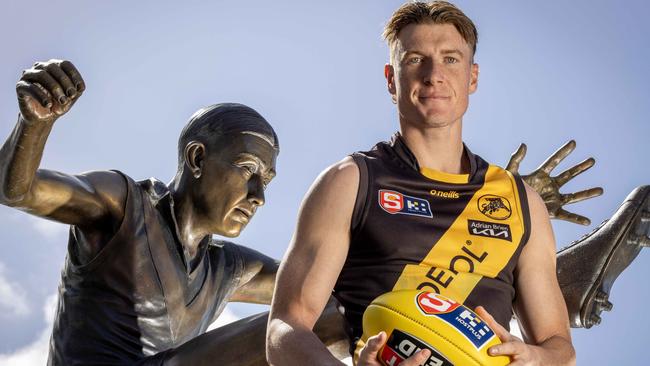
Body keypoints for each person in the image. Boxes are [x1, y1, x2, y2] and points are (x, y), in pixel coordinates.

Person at [267, 2, 579, 365]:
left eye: (451, 59)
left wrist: (535, 358)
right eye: (416, 59)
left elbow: (560, 347)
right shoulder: (350, 182)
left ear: (472, 77)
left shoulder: (521, 202)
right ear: (390, 79)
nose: (434, 75)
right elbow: (284, 329)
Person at [0, 59, 280, 365]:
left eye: (265, 180)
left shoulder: (227, 269)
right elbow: (17, 191)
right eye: (247, 169)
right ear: (197, 158)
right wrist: (34, 125)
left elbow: (325, 289)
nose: (258, 196)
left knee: (323, 311)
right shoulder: (124, 206)